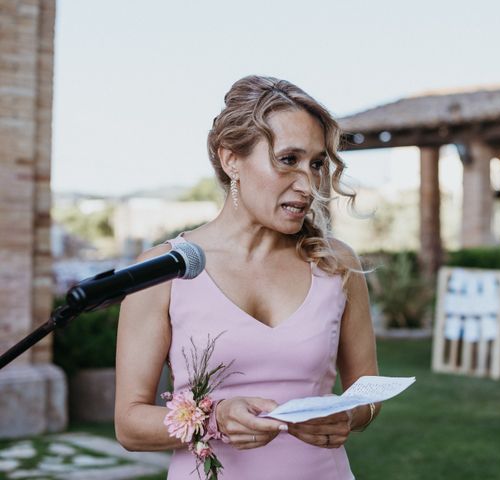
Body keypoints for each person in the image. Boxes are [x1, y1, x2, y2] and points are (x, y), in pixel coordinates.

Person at [114, 75, 380, 479]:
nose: (308, 185)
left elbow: (367, 392)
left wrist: (352, 415)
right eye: (288, 160)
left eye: (317, 164)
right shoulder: (165, 270)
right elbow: (129, 423)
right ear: (230, 159)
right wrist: (215, 419)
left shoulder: (336, 265)